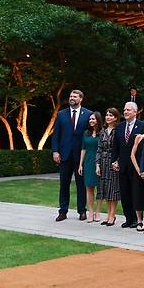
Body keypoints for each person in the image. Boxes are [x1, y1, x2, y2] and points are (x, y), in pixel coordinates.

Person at [52, 89, 92, 222]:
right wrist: (55, 151)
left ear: (81, 99)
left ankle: (82, 211)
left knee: (81, 184)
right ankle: (63, 211)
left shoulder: (88, 114)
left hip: (80, 156)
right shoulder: (61, 115)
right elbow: (56, 135)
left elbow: (91, 134)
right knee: (64, 184)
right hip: (64, 155)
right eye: (70, 96)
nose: (72, 98)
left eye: (75, 96)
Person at [112, 101, 144, 228]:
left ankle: (138, 219)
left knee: (136, 192)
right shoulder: (119, 127)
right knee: (125, 193)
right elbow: (116, 147)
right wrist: (114, 160)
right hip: (122, 166)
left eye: (128, 110)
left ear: (135, 112)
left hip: (136, 166)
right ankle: (128, 218)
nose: (125, 112)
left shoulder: (142, 125)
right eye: (125, 110)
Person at [96, 108, 121, 226]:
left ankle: (112, 215)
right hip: (103, 162)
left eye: (111, 115)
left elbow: (121, 149)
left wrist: (117, 161)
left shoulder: (118, 131)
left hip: (113, 162)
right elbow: (99, 149)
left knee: (113, 189)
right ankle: (108, 215)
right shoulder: (102, 131)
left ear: (116, 118)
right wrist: (97, 165)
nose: (108, 117)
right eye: (107, 115)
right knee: (105, 189)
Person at [78, 111, 103, 223]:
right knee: (89, 188)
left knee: (99, 188)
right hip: (88, 162)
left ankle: (98, 212)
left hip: (100, 163)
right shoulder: (86, 133)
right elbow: (83, 149)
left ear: (98, 120)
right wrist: (80, 165)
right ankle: (91, 212)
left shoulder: (102, 133)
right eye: (90, 119)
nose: (91, 121)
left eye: (93, 119)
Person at [131, 118, 144, 231]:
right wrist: (138, 170)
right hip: (138, 171)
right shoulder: (139, 138)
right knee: (138, 195)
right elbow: (132, 155)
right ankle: (139, 220)